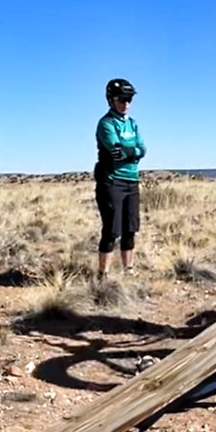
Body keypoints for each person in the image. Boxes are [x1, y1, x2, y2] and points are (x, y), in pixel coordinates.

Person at [94, 78, 147, 280]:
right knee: (111, 230)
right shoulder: (106, 124)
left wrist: (131, 151)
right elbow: (116, 151)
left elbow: (142, 149)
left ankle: (129, 270)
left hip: (131, 181)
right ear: (111, 100)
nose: (126, 104)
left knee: (130, 228)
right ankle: (103, 274)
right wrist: (132, 151)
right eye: (121, 100)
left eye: (129, 99)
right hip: (112, 181)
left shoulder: (132, 124)